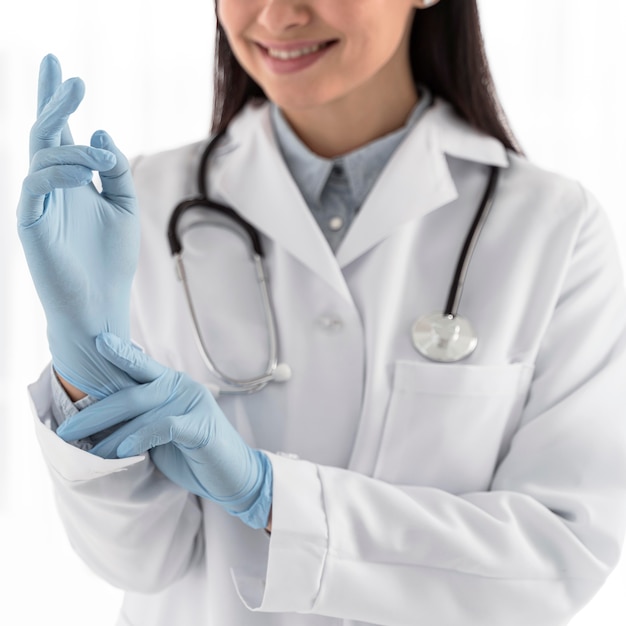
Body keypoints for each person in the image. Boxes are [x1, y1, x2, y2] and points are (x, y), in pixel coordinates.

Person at [16, 0, 626, 624]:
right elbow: (140, 562)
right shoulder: (134, 207)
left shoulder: (554, 230)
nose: (279, 16)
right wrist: (83, 363)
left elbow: (559, 554)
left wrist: (270, 494)